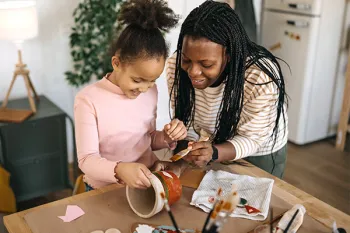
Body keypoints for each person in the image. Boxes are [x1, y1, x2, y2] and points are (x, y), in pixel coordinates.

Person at [166, 0, 288, 179]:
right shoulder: (175, 68)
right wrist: (185, 156)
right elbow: (187, 121)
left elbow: (251, 139)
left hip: (258, 149)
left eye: (206, 64)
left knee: (252, 201)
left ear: (229, 57)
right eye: (186, 60)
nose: (193, 71)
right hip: (215, 140)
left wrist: (214, 153)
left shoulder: (258, 77)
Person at [74, 0, 186, 191]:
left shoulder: (150, 92)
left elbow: (146, 139)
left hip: (146, 182)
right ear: (116, 63)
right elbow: (86, 160)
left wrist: (167, 137)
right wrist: (119, 170)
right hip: (105, 189)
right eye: (137, 80)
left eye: (152, 80)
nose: (144, 88)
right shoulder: (88, 100)